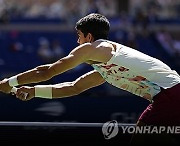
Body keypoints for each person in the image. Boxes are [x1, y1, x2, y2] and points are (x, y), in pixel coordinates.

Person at [0, 13, 180, 144]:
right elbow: (74, 87)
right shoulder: (107, 64)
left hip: (170, 95)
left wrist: (10, 83)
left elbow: (47, 71)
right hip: (169, 97)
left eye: (79, 36)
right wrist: (34, 91)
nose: (77, 42)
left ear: (89, 36)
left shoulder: (95, 48)